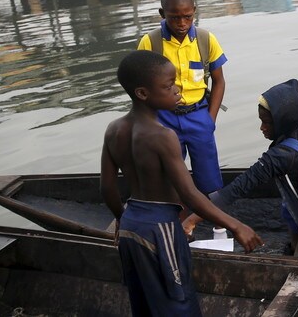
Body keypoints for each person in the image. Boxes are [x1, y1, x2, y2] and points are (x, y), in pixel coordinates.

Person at [100, 50, 261, 316]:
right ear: (142, 93)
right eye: (168, 86)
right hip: (159, 227)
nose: (177, 90)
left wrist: (122, 218)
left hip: (130, 226)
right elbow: (189, 193)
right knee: (178, 301)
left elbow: (107, 189)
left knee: (145, 303)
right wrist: (235, 225)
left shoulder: (113, 129)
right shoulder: (163, 136)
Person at [182, 79, 298, 255]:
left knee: (289, 206)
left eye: (267, 122)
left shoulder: (281, 156)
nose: (262, 128)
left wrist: (191, 221)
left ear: (283, 121)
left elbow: (234, 191)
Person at [138, 0, 227, 195]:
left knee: (209, 177)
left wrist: (210, 120)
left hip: (199, 115)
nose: (182, 24)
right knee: (168, 174)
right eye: (174, 18)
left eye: (187, 17)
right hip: (164, 118)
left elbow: (219, 81)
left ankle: (213, 223)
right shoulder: (150, 43)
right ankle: (176, 217)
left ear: (194, 11)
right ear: (162, 14)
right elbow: (140, 88)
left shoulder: (206, 40)